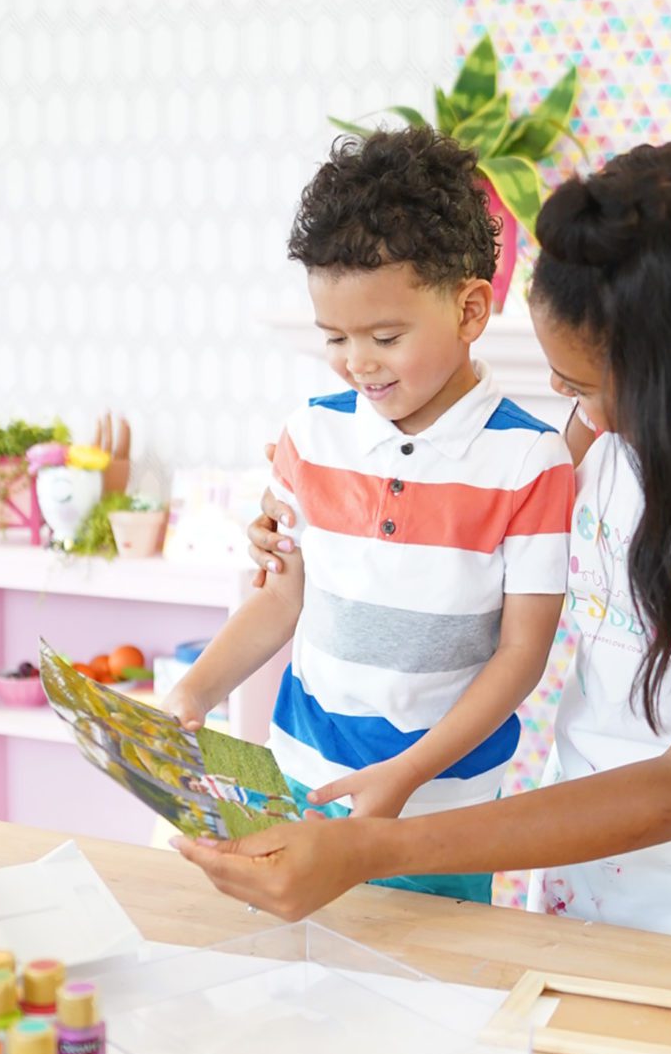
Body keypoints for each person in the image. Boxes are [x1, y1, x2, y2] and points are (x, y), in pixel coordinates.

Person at [172, 139, 671, 964]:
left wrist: (375, 847)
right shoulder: (601, 425)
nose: (577, 415)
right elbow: (450, 536)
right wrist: (306, 526)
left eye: (584, 389)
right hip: (591, 886)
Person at [165, 127, 575, 904]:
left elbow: (522, 655)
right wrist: (194, 692)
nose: (357, 361)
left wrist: (407, 773)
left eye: (386, 336)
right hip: (299, 777)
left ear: (470, 309)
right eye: (335, 338)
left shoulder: (530, 462)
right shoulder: (311, 435)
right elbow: (279, 599)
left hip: (441, 805)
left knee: (432, 966)